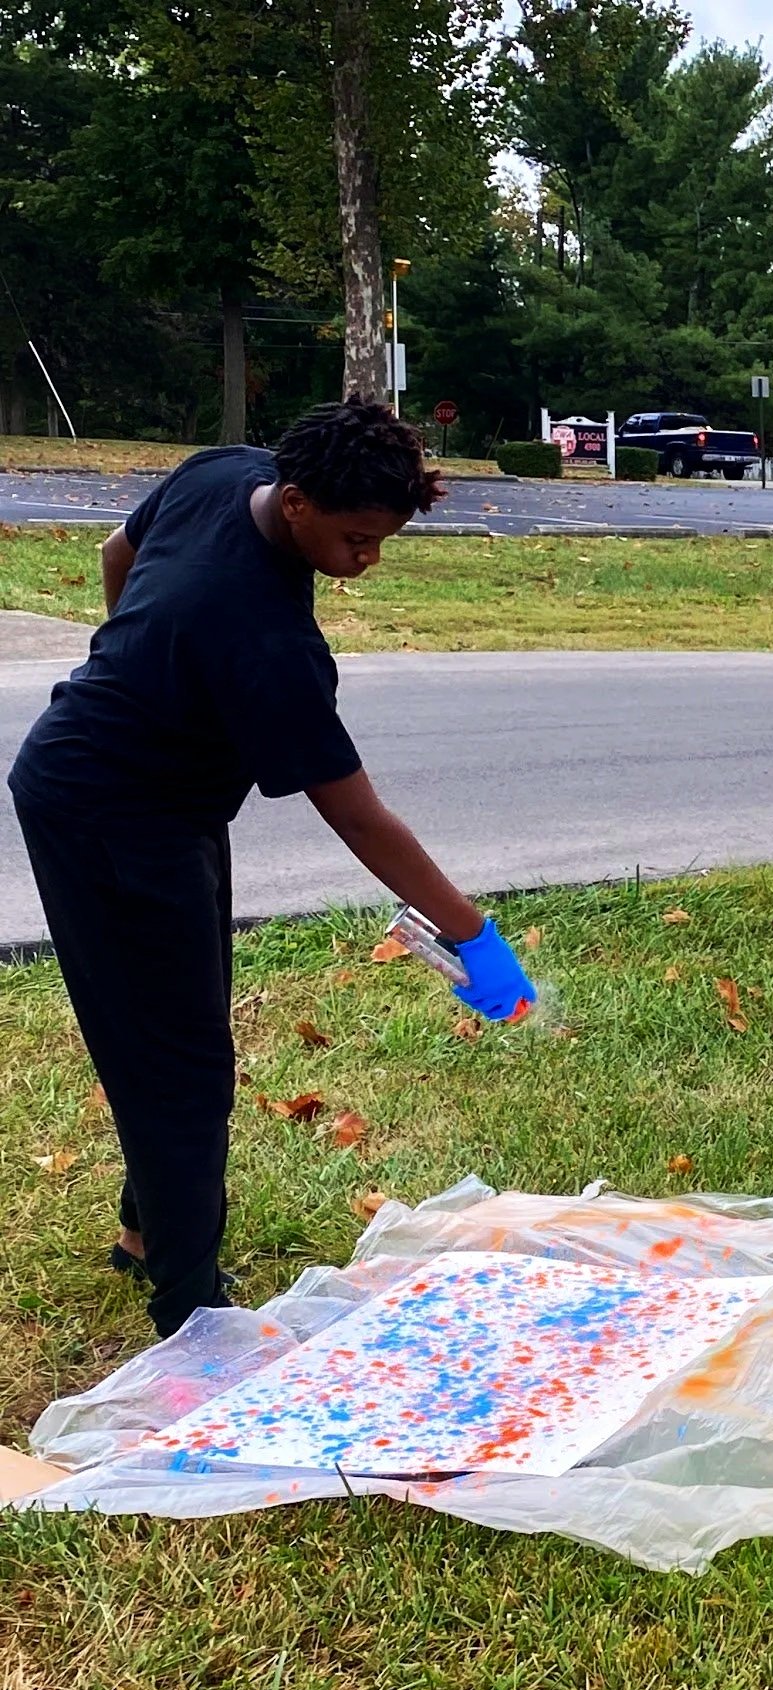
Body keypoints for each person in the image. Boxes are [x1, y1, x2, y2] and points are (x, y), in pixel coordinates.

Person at [9, 399, 535, 1338]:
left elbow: (115, 561)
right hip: (107, 813)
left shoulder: (225, 470)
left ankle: (144, 1234)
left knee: (178, 1026)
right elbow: (359, 817)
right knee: (181, 1065)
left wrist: (145, 664)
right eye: (356, 539)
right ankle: (187, 1307)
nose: (366, 562)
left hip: (157, 801)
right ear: (295, 502)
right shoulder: (263, 641)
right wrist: (472, 933)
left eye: (383, 541)